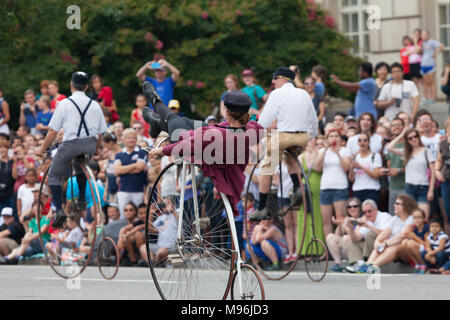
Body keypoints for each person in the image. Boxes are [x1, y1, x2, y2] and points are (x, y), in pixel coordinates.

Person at [142, 83, 264, 219]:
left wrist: (161, 151)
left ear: (227, 112)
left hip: (197, 148)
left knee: (174, 119)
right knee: (184, 121)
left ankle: (156, 103)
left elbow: (187, 145)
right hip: (210, 142)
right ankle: (158, 122)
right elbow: (228, 129)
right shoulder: (253, 128)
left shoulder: (216, 135)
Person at [36, 71, 108, 229]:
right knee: (80, 163)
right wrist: (96, 148)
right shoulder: (95, 105)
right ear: (87, 87)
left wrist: (42, 148)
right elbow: (101, 132)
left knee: (54, 175)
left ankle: (59, 209)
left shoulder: (65, 104)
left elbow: (53, 130)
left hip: (71, 145)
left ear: (71, 85)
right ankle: (81, 199)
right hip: (89, 145)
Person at [250, 67, 318, 220]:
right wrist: (311, 136)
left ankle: (261, 208)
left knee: (266, 169)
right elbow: (313, 119)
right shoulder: (304, 94)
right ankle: (298, 188)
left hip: (284, 137)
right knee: (290, 157)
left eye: (275, 78)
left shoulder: (277, 94)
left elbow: (264, 121)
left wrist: (259, 130)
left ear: (283, 78)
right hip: (302, 137)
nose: (273, 81)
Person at [356, 194, 416, 273]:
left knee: (394, 245)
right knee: (381, 244)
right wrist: (377, 243)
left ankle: (374, 266)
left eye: (397, 203)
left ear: (405, 205)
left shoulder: (411, 218)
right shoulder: (395, 219)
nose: (394, 205)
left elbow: (403, 235)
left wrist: (386, 243)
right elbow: (384, 233)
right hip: (394, 247)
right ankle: (368, 265)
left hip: (408, 249)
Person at [387, 127, 435, 220]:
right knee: (410, 219)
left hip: (423, 187)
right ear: (407, 140)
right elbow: (389, 147)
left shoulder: (426, 150)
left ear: (418, 137)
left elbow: (433, 171)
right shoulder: (406, 152)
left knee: (423, 218)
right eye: (410, 138)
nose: (413, 139)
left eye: (415, 136)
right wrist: (401, 134)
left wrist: (431, 190)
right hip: (410, 188)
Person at [315, 129, 352, 236]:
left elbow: (346, 168)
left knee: (341, 218)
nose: (334, 138)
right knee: (326, 220)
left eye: (336, 136)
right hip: (325, 187)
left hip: (340, 187)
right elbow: (317, 166)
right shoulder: (322, 151)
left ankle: (342, 245)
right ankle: (330, 247)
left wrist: (338, 154)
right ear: (327, 139)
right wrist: (326, 149)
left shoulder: (345, 150)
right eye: (331, 136)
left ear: (340, 138)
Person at [296, 139, 326, 258]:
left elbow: (319, 168)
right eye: (307, 141)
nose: (309, 144)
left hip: (317, 186)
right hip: (304, 187)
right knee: (304, 218)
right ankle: (304, 250)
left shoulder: (319, 154)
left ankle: (318, 249)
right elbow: (298, 173)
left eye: (311, 141)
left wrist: (314, 154)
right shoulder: (300, 157)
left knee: (317, 217)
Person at [345, 199, 393, 273]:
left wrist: (369, 226)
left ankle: (366, 262)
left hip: (387, 246)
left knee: (370, 234)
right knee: (355, 242)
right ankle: (358, 263)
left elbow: (386, 233)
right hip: (375, 247)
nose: (367, 214)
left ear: (376, 210)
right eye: (364, 212)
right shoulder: (368, 221)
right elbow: (356, 238)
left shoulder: (384, 216)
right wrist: (350, 228)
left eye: (369, 211)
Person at [114, 128, 148, 217]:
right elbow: (117, 171)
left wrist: (123, 169)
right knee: (123, 215)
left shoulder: (141, 153)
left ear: (136, 140)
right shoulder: (119, 155)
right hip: (123, 191)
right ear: (123, 140)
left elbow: (140, 168)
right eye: (128, 138)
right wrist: (134, 165)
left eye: (133, 137)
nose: (131, 140)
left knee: (138, 216)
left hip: (138, 191)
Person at [327, 198, 364, 272]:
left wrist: (345, 226)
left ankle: (354, 263)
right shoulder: (347, 219)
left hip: (359, 248)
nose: (352, 208)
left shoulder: (362, 219)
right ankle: (338, 264)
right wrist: (340, 225)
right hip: (347, 248)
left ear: (360, 208)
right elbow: (337, 236)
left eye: (355, 206)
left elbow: (355, 237)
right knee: (330, 237)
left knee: (346, 238)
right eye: (349, 207)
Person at [348, 132, 383, 205]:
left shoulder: (375, 156)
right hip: (357, 190)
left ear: (369, 142)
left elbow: (376, 175)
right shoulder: (356, 157)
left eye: (365, 140)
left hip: (371, 190)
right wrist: (351, 167)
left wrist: (361, 166)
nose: (362, 142)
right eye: (360, 140)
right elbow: (351, 179)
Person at [386, 117, 407, 214]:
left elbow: (412, 166)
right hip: (393, 186)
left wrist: (398, 170)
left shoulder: (408, 144)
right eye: (393, 125)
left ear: (404, 127)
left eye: (399, 125)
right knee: (393, 215)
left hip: (405, 186)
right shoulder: (390, 145)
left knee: (405, 214)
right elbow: (389, 166)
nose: (396, 127)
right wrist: (387, 171)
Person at [402, 208, 430, 273]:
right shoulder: (415, 229)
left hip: (428, 250)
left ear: (424, 219)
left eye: (419, 217)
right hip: (420, 248)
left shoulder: (427, 228)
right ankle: (417, 265)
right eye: (414, 218)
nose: (417, 220)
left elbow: (427, 244)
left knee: (410, 243)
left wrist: (414, 237)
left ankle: (424, 265)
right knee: (405, 243)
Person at [420, 30, 444, 103]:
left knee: (431, 82)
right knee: (425, 82)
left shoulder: (432, 42)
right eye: (422, 34)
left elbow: (441, 46)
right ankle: (426, 97)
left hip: (430, 63)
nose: (423, 36)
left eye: (425, 34)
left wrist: (435, 53)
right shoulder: (422, 43)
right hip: (423, 64)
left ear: (428, 35)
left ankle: (433, 98)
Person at [436, 117, 450, 234]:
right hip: (447, 181)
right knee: (448, 213)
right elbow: (439, 160)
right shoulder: (443, 143)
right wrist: (436, 171)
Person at [0, 144, 15, 215]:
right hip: (1, 193)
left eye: (4, 148)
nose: (3, 150)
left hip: (11, 191)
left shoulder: (12, 161)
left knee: (12, 213)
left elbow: (15, 176)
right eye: (1, 148)